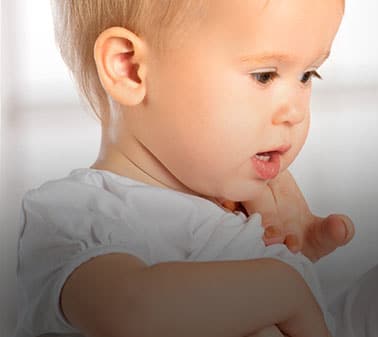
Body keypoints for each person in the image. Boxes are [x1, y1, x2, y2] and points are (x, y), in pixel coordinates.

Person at [15, 1, 353, 336]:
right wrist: (283, 285)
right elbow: (132, 311)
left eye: (307, 75)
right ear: (129, 69)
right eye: (263, 76)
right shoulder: (76, 214)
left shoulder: (241, 210)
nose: (294, 112)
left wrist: (295, 256)